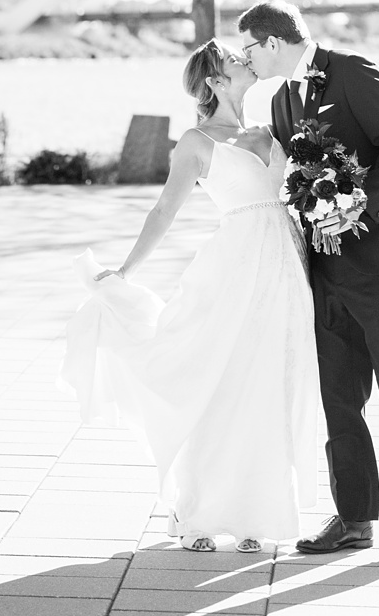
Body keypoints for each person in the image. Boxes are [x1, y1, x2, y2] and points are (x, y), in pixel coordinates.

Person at [62, 39, 325, 552]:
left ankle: (255, 512)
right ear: (214, 81)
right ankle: (197, 512)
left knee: (269, 385)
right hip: (234, 268)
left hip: (284, 269)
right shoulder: (197, 141)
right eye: (233, 59)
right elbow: (164, 210)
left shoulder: (270, 130)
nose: (245, 61)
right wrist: (125, 269)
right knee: (219, 383)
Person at [236, 0, 379, 568]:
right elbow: (294, 176)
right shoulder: (279, 99)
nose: (247, 59)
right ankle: (354, 518)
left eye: (249, 47)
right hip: (325, 270)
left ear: (273, 42)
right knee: (339, 399)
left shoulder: (353, 72)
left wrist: (360, 208)